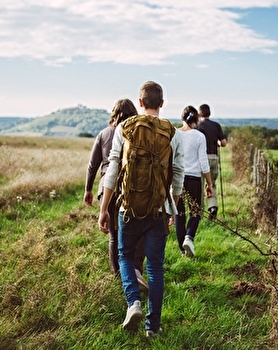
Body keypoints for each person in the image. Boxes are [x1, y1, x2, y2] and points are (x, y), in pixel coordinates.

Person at [98, 81, 184, 337]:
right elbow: (177, 175)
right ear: (162, 104)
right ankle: (153, 327)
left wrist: (105, 209)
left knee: (124, 256)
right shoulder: (173, 133)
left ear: (140, 103)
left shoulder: (124, 128)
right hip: (159, 208)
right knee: (155, 267)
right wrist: (173, 208)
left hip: (128, 208)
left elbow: (113, 170)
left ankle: (133, 302)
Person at [84, 99, 148, 291]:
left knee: (114, 235)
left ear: (114, 114)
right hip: (132, 187)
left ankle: (118, 277)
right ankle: (136, 270)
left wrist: (88, 189)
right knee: (137, 232)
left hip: (108, 189)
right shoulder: (137, 133)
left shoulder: (104, 134)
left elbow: (92, 165)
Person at [175, 106, 213, 257]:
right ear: (196, 119)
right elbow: (203, 163)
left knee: (179, 214)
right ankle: (189, 237)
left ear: (182, 118)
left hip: (177, 178)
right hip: (194, 179)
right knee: (196, 211)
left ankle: (182, 250)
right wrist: (209, 183)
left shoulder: (175, 134)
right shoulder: (199, 136)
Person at [197, 104, 227, 220]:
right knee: (211, 184)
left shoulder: (197, 126)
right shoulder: (216, 125)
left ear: (200, 114)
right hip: (214, 157)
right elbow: (223, 143)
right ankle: (212, 206)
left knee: (199, 184)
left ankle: (198, 211)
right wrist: (218, 143)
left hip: (201, 158)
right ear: (209, 113)